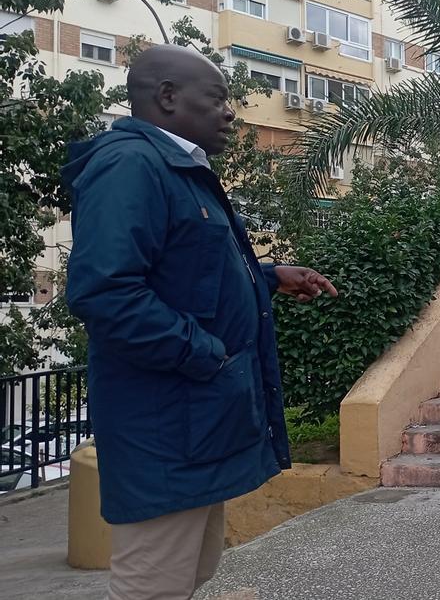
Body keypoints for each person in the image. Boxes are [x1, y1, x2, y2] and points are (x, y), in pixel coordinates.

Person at [62, 44, 338, 600]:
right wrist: (208, 356)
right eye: (216, 99)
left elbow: (191, 273)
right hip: (166, 428)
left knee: (194, 572)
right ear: (167, 97)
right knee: (152, 586)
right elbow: (107, 293)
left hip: (199, 421)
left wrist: (267, 277)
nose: (230, 113)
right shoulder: (131, 165)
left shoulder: (179, 168)